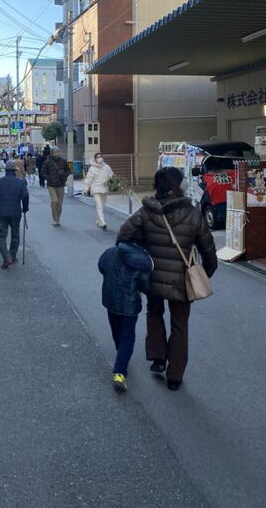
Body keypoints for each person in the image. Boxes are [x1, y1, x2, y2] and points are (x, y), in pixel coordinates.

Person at [116, 167, 217, 390]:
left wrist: (142, 249)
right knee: (180, 324)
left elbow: (123, 235)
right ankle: (175, 376)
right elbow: (207, 247)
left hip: (152, 276)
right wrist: (207, 271)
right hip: (182, 278)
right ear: (177, 185)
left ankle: (158, 357)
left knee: (154, 314)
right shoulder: (192, 214)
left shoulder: (147, 211)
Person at [98, 242, 153, 392]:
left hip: (111, 301)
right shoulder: (142, 260)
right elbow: (145, 284)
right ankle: (120, 373)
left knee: (116, 330)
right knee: (127, 337)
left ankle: (120, 353)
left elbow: (101, 266)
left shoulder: (109, 252)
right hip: (130, 305)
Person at [0, 160, 29, 268]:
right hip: (15, 212)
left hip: (1, 212)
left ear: (6, 171)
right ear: (15, 171)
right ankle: (12, 255)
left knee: (1, 235)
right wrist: (25, 208)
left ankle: (6, 257)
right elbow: (25, 196)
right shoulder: (20, 182)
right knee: (15, 234)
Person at [83, 153, 114, 230]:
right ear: (95, 159)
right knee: (99, 206)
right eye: (97, 157)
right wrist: (86, 189)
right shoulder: (92, 168)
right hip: (96, 189)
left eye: (100, 157)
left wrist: (114, 182)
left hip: (104, 188)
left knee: (102, 206)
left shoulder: (107, 167)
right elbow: (88, 179)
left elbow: (111, 176)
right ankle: (103, 223)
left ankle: (99, 221)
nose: (99, 158)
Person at [42, 146, 69, 226]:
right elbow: (43, 172)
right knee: (55, 201)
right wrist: (49, 178)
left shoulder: (63, 161)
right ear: (52, 153)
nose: (58, 153)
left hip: (60, 184)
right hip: (51, 185)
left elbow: (69, 170)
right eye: (56, 152)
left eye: (59, 151)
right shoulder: (47, 162)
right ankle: (54, 219)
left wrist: (64, 174)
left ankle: (58, 219)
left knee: (60, 204)